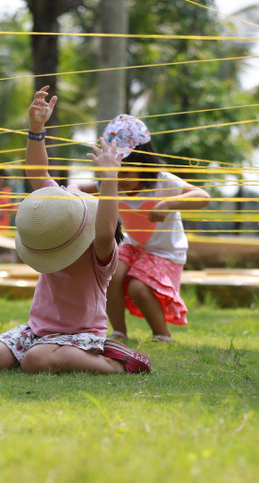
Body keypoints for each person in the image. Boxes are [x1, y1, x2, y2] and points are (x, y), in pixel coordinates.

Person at [0, 86, 152, 375]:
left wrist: (110, 179)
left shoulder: (99, 253)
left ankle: (116, 362)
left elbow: (106, 230)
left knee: (35, 361)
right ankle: (48, 353)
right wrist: (36, 129)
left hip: (82, 336)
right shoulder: (55, 229)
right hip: (37, 332)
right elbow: (38, 174)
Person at [98, 114, 210, 342]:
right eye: (116, 173)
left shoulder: (163, 182)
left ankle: (162, 335)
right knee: (110, 274)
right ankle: (119, 333)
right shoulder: (113, 183)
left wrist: (168, 203)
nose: (120, 180)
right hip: (134, 247)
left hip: (166, 253)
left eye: (126, 172)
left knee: (138, 288)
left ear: (144, 164)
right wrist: (72, 188)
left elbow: (202, 196)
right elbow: (87, 187)